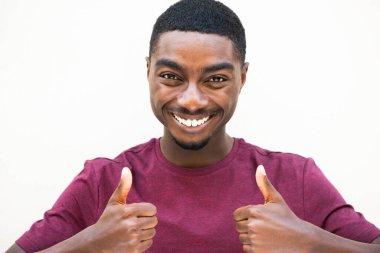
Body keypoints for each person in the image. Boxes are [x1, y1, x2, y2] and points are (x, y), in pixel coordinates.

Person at [6, 0, 380, 252]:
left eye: (215, 80)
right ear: (148, 72)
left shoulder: (294, 177)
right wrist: (88, 245)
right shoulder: (103, 180)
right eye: (171, 76)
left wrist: (311, 243)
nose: (191, 100)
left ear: (242, 78)